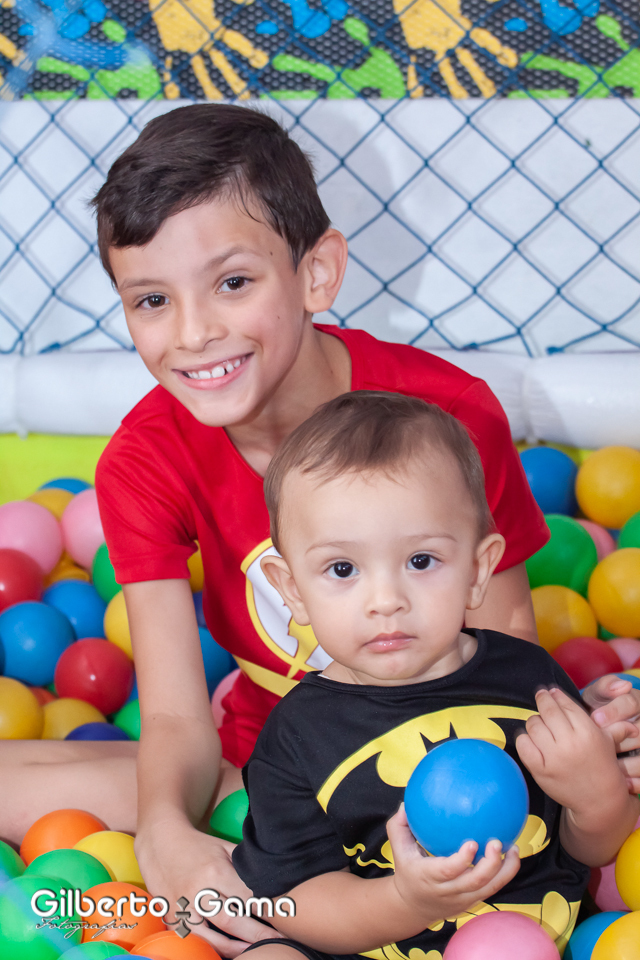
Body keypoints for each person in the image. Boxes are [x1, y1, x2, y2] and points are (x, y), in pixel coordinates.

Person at [1, 104, 639, 955]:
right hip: (271, 771)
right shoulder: (144, 461)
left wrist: (574, 739)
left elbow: (503, 649)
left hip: (436, 756)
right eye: (152, 300)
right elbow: (177, 716)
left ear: (317, 273)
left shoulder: (444, 415)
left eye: (233, 283)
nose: (194, 333)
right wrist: (164, 834)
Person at [233, 391, 640, 959]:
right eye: (342, 568)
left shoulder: (529, 679)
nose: (386, 601)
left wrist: (598, 797)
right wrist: (407, 902)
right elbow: (295, 900)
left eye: (421, 561)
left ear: (477, 571)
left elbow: (591, 849)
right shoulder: (295, 738)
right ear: (292, 590)